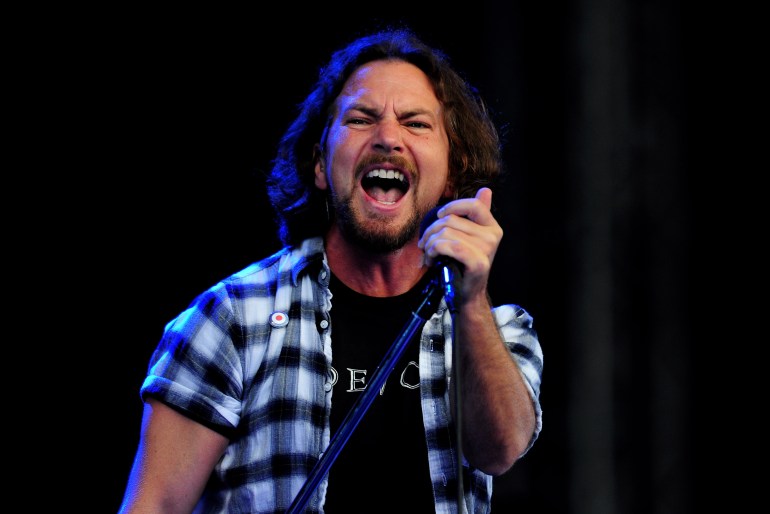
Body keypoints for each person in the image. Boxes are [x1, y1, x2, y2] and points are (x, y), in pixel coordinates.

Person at [119, 27, 543, 514]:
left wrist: (469, 300)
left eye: (416, 124)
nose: (388, 138)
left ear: (452, 173)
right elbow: (152, 506)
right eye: (362, 119)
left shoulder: (498, 330)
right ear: (320, 163)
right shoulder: (233, 318)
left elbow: (500, 451)